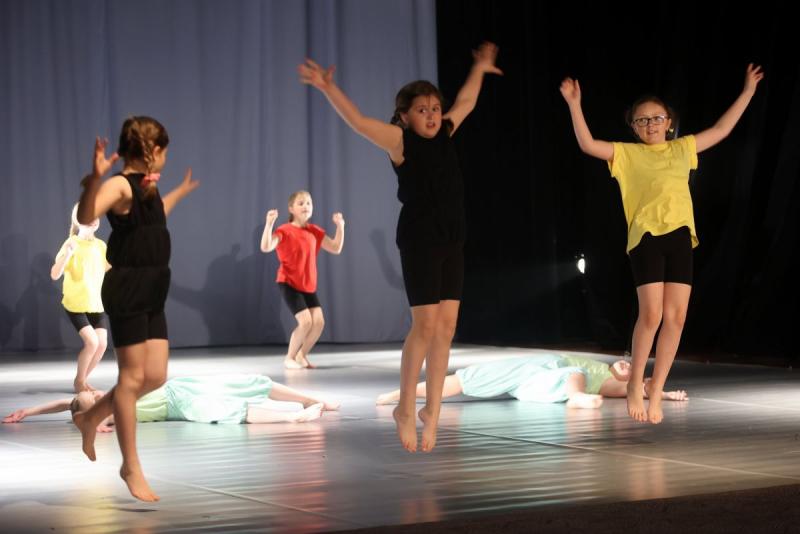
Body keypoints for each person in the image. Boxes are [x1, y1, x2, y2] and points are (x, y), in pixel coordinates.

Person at [298, 42, 502, 452]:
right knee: (424, 326)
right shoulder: (400, 141)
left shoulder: (446, 131)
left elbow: (466, 101)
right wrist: (327, 87)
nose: (431, 115)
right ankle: (406, 407)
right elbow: (358, 122)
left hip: (453, 236)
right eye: (422, 110)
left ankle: (433, 410)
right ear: (405, 115)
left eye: (434, 108)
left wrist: (479, 67)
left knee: (446, 327)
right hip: (421, 238)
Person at [559, 64, 763, 424]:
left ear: (669, 122)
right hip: (646, 237)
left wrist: (747, 91)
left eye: (656, 118)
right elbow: (588, 145)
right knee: (651, 315)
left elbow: (721, 129)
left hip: (680, 235)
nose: (650, 125)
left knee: (676, 317)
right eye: (642, 120)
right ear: (634, 127)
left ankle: (657, 390)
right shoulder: (626, 154)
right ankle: (635, 383)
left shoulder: (682, 148)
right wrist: (575, 104)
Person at [72, 117, 199, 502]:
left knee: (155, 376)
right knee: (130, 379)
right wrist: (95, 179)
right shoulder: (120, 185)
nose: (166, 159)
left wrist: (179, 192)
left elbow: (156, 217)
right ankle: (130, 466)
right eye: (165, 152)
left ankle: (90, 417)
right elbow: (85, 216)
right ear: (153, 151)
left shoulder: (147, 188)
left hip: (153, 286)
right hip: (128, 288)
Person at [3, 374, 340, 427]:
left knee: (251, 382)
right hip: (177, 406)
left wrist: (28, 411)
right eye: (93, 397)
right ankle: (294, 417)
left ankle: (309, 399)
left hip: (177, 387)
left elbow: (66, 404)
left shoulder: (100, 402)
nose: (95, 392)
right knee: (228, 410)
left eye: (91, 391)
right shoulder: (110, 414)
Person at [376, 354, 688, 408]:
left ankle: (576, 398)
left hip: (552, 379)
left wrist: (663, 393)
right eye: (627, 360)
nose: (626, 364)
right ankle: (400, 394)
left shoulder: (608, 382)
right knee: (467, 378)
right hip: (534, 367)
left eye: (630, 368)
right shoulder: (603, 366)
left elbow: (640, 390)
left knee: (573, 375)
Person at [260, 191, 345, 369]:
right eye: (301, 203)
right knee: (306, 322)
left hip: (307, 285)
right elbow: (266, 246)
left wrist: (340, 227)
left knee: (318, 322)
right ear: (291, 208)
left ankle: (301, 355)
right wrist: (269, 224)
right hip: (288, 282)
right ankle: (289, 357)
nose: (306, 206)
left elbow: (336, 248)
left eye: (308, 203)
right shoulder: (284, 230)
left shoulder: (314, 231)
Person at [51, 204, 110, 392]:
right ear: (78, 220)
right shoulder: (71, 243)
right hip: (75, 303)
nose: (92, 219)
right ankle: (79, 382)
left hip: (95, 303)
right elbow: (55, 274)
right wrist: (68, 255)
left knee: (102, 344)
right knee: (92, 342)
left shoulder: (101, 246)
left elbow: (107, 268)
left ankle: (81, 380)